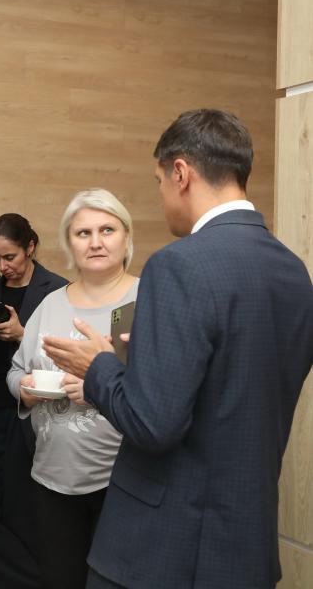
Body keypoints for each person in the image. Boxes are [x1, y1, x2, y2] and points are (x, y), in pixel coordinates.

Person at [43, 109, 313, 588]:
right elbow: (234, 389)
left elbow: (154, 423)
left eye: (159, 181)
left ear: (181, 173)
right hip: (245, 546)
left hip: (162, 550)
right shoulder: (294, 273)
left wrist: (99, 366)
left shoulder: (179, 265)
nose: (162, 195)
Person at [7, 189, 139, 589]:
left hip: (123, 482)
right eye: (83, 233)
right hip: (52, 478)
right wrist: (25, 388)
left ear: (126, 237)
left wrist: (99, 384)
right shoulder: (51, 304)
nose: (96, 242)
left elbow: (163, 390)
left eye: (107, 230)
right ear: (69, 243)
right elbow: (16, 370)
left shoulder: (144, 300)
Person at [0, 213, 66, 589]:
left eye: (10, 257)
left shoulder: (57, 291)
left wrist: (23, 335)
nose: (2, 266)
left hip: (33, 414)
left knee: (22, 513)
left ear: (30, 247)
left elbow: (65, 360)